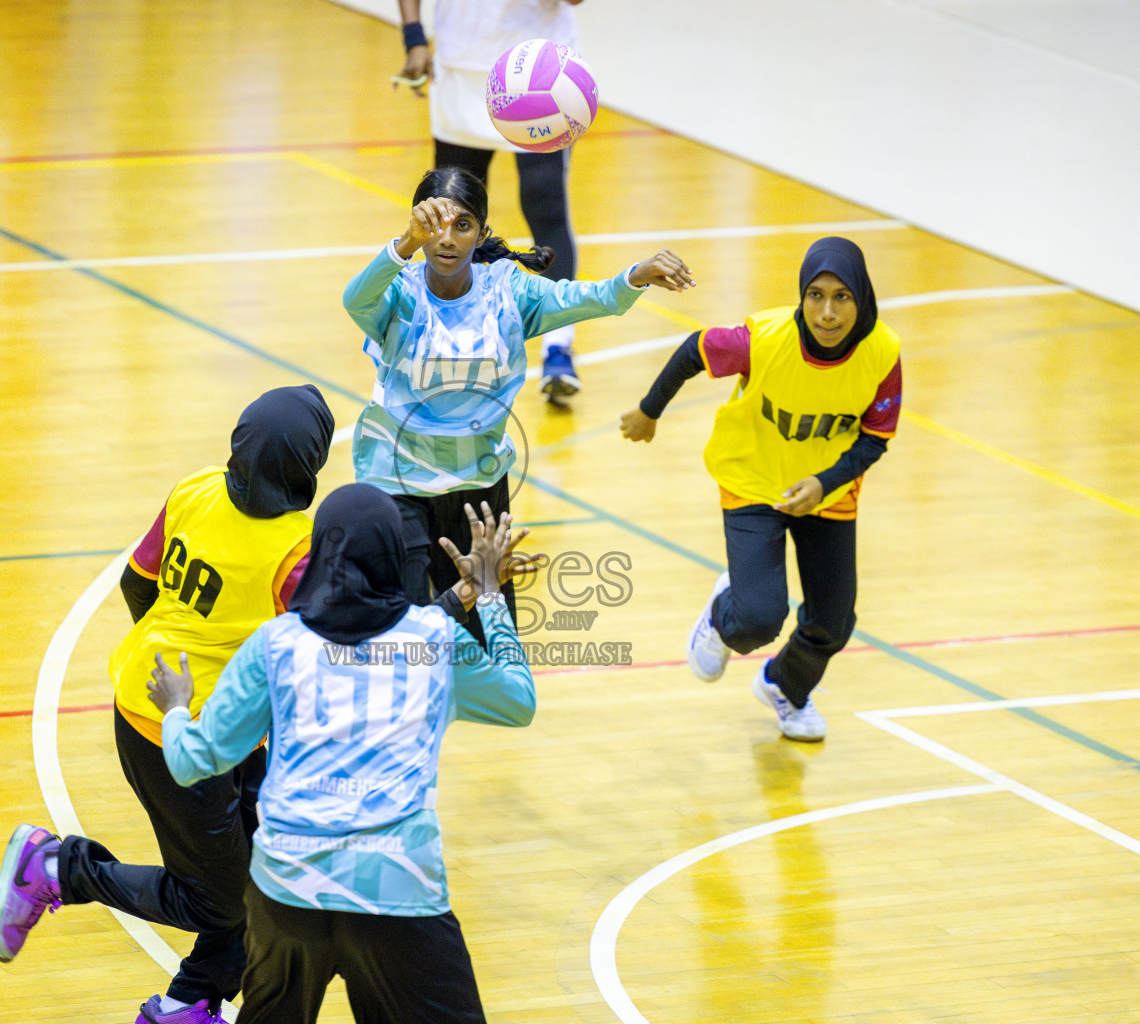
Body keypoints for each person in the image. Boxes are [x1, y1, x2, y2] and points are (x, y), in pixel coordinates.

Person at [0, 386, 335, 1024]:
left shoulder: (195, 490)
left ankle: (186, 1004)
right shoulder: (297, 549)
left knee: (263, 876)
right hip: (179, 737)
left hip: (151, 699)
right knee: (217, 902)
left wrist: (176, 647)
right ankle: (59, 867)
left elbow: (134, 581)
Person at [147, 484, 536, 1024]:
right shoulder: (434, 639)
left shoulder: (275, 643)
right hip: (397, 890)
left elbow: (194, 761)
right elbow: (518, 701)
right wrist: (490, 595)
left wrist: (175, 710)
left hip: (287, 889)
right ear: (396, 556)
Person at [343, 165, 694, 646]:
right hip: (395, 479)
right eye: (434, 226)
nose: (446, 239)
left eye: (462, 225)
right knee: (402, 630)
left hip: (478, 482)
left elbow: (589, 298)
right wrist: (403, 244)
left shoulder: (508, 291)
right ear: (417, 226)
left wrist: (636, 276)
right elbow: (354, 299)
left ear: (482, 233)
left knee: (482, 639)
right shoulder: (399, 291)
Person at [619, 237, 902, 742]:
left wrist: (825, 482)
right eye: (816, 295)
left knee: (833, 623)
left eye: (843, 297)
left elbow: (875, 438)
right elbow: (694, 350)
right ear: (801, 296)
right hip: (752, 479)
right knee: (755, 621)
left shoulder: (882, 352)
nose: (828, 312)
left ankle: (785, 688)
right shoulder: (764, 338)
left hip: (827, 493)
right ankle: (721, 612)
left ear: (863, 298)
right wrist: (649, 409)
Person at [394, 0, 590, 401]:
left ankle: (558, 346)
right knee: (450, 215)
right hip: (462, 64)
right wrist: (414, 37)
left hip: (538, 70)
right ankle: (452, 341)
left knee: (545, 205)